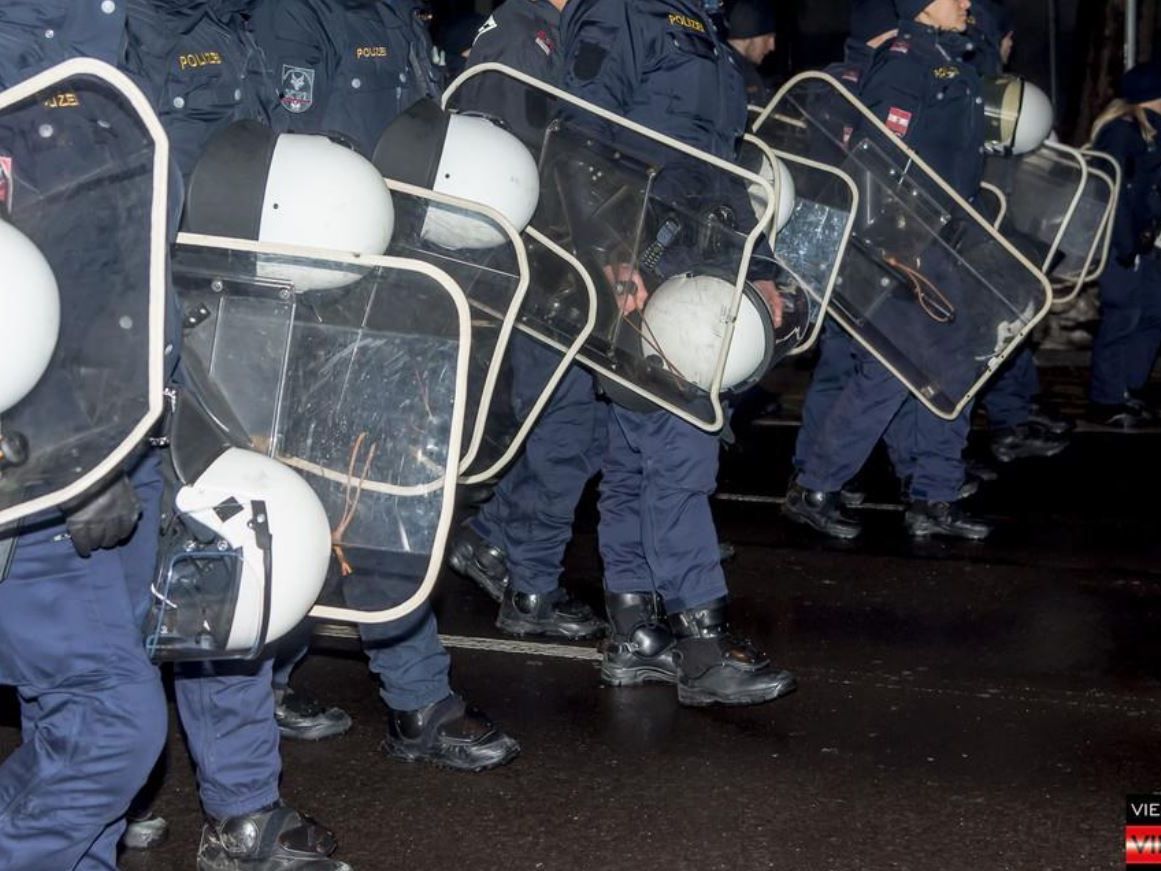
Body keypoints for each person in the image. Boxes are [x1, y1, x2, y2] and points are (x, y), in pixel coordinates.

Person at [251, 0, 521, 771]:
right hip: (321, 305)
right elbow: (296, 163)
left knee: (356, 494)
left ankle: (266, 676)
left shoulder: (402, 19)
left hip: (398, 293)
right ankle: (415, 698)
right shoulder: (299, 16)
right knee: (363, 497)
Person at [121, 2, 356, 868]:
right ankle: (119, 792)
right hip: (128, 349)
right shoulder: (113, 26)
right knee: (113, 589)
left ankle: (243, 811)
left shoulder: (236, 25)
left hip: (232, 338)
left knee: (230, 560)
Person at [556, 0, 797, 705]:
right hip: (643, 269)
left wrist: (753, 268)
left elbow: (716, 173)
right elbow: (578, 138)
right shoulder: (624, 14)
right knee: (680, 452)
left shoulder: (697, 30)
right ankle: (701, 642)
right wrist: (609, 255)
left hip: (692, 265)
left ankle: (635, 632)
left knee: (635, 459)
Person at [0, 4, 170, 868]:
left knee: (75, 724)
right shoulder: (21, 49)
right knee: (114, 719)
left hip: (125, 435)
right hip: (35, 462)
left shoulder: (118, 34)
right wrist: (69, 447)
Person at [786, 0, 994, 541]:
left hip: (944, 243)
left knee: (950, 372)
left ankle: (934, 497)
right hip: (907, 247)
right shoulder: (905, 64)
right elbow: (879, 159)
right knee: (887, 373)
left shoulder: (951, 59)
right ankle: (817, 486)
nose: (967, 4)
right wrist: (897, 244)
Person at [441, 0, 608, 643]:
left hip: (571, 265)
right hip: (537, 271)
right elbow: (490, 170)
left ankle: (492, 541)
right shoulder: (517, 36)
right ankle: (532, 587)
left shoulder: (569, 32)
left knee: (583, 428)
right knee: (563, 428)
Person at [1086, 63, 1161, 429]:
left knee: (1148, 315)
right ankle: (1106, 399)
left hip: (1140, 243)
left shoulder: (1147, 132)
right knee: (1121, 319)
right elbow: (1114, 195)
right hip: (1121, 246)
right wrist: (1124, 247)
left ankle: (1128, 388)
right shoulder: (1122, 133)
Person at [725, 0, 778, 104]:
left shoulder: (744, 70)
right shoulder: (724, 75)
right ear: (749, 36)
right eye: (768, 38)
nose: (772, 46)